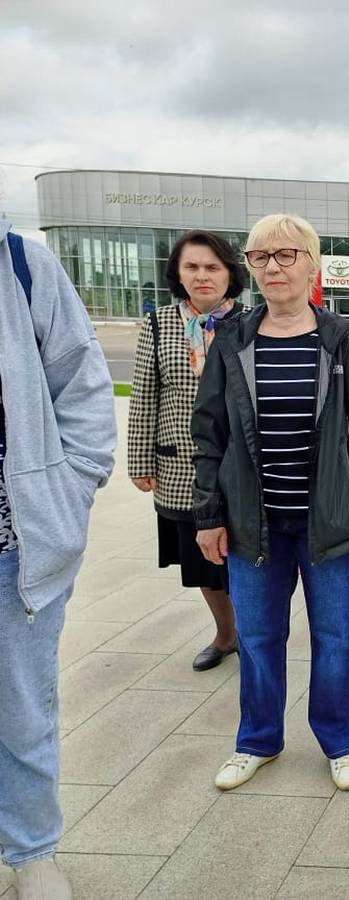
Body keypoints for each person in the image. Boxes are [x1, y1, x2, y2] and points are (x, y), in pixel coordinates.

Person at [191, 214, 349, 792]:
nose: (273, 267)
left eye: (286, 255)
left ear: (311, 264)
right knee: (256, 638)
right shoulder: (233, 340)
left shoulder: (341, 338)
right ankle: (257, 740)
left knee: (337, 637)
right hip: (252, 524)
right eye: (261, 257)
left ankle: (341, 741)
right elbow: (209, 433)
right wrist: (209, 515)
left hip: (330, 524)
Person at [0, 220, 117, 899]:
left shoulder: (22, 265)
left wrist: (73, 488)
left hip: (15, 541)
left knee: (21, 705)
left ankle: (32, 849)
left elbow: (82, 382)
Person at [128, 231, 245, 671]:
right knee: (201, 563)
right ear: (177, 273)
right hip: (179, 466)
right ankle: (226, 634)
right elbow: (144, 396)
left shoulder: (251, 323)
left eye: (212, 267)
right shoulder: (159, 324)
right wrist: (139, 460)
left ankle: (255, 635)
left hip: (239, 465)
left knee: (243, 556)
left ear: (229, 273)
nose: (202, 276)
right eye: (191, 267)